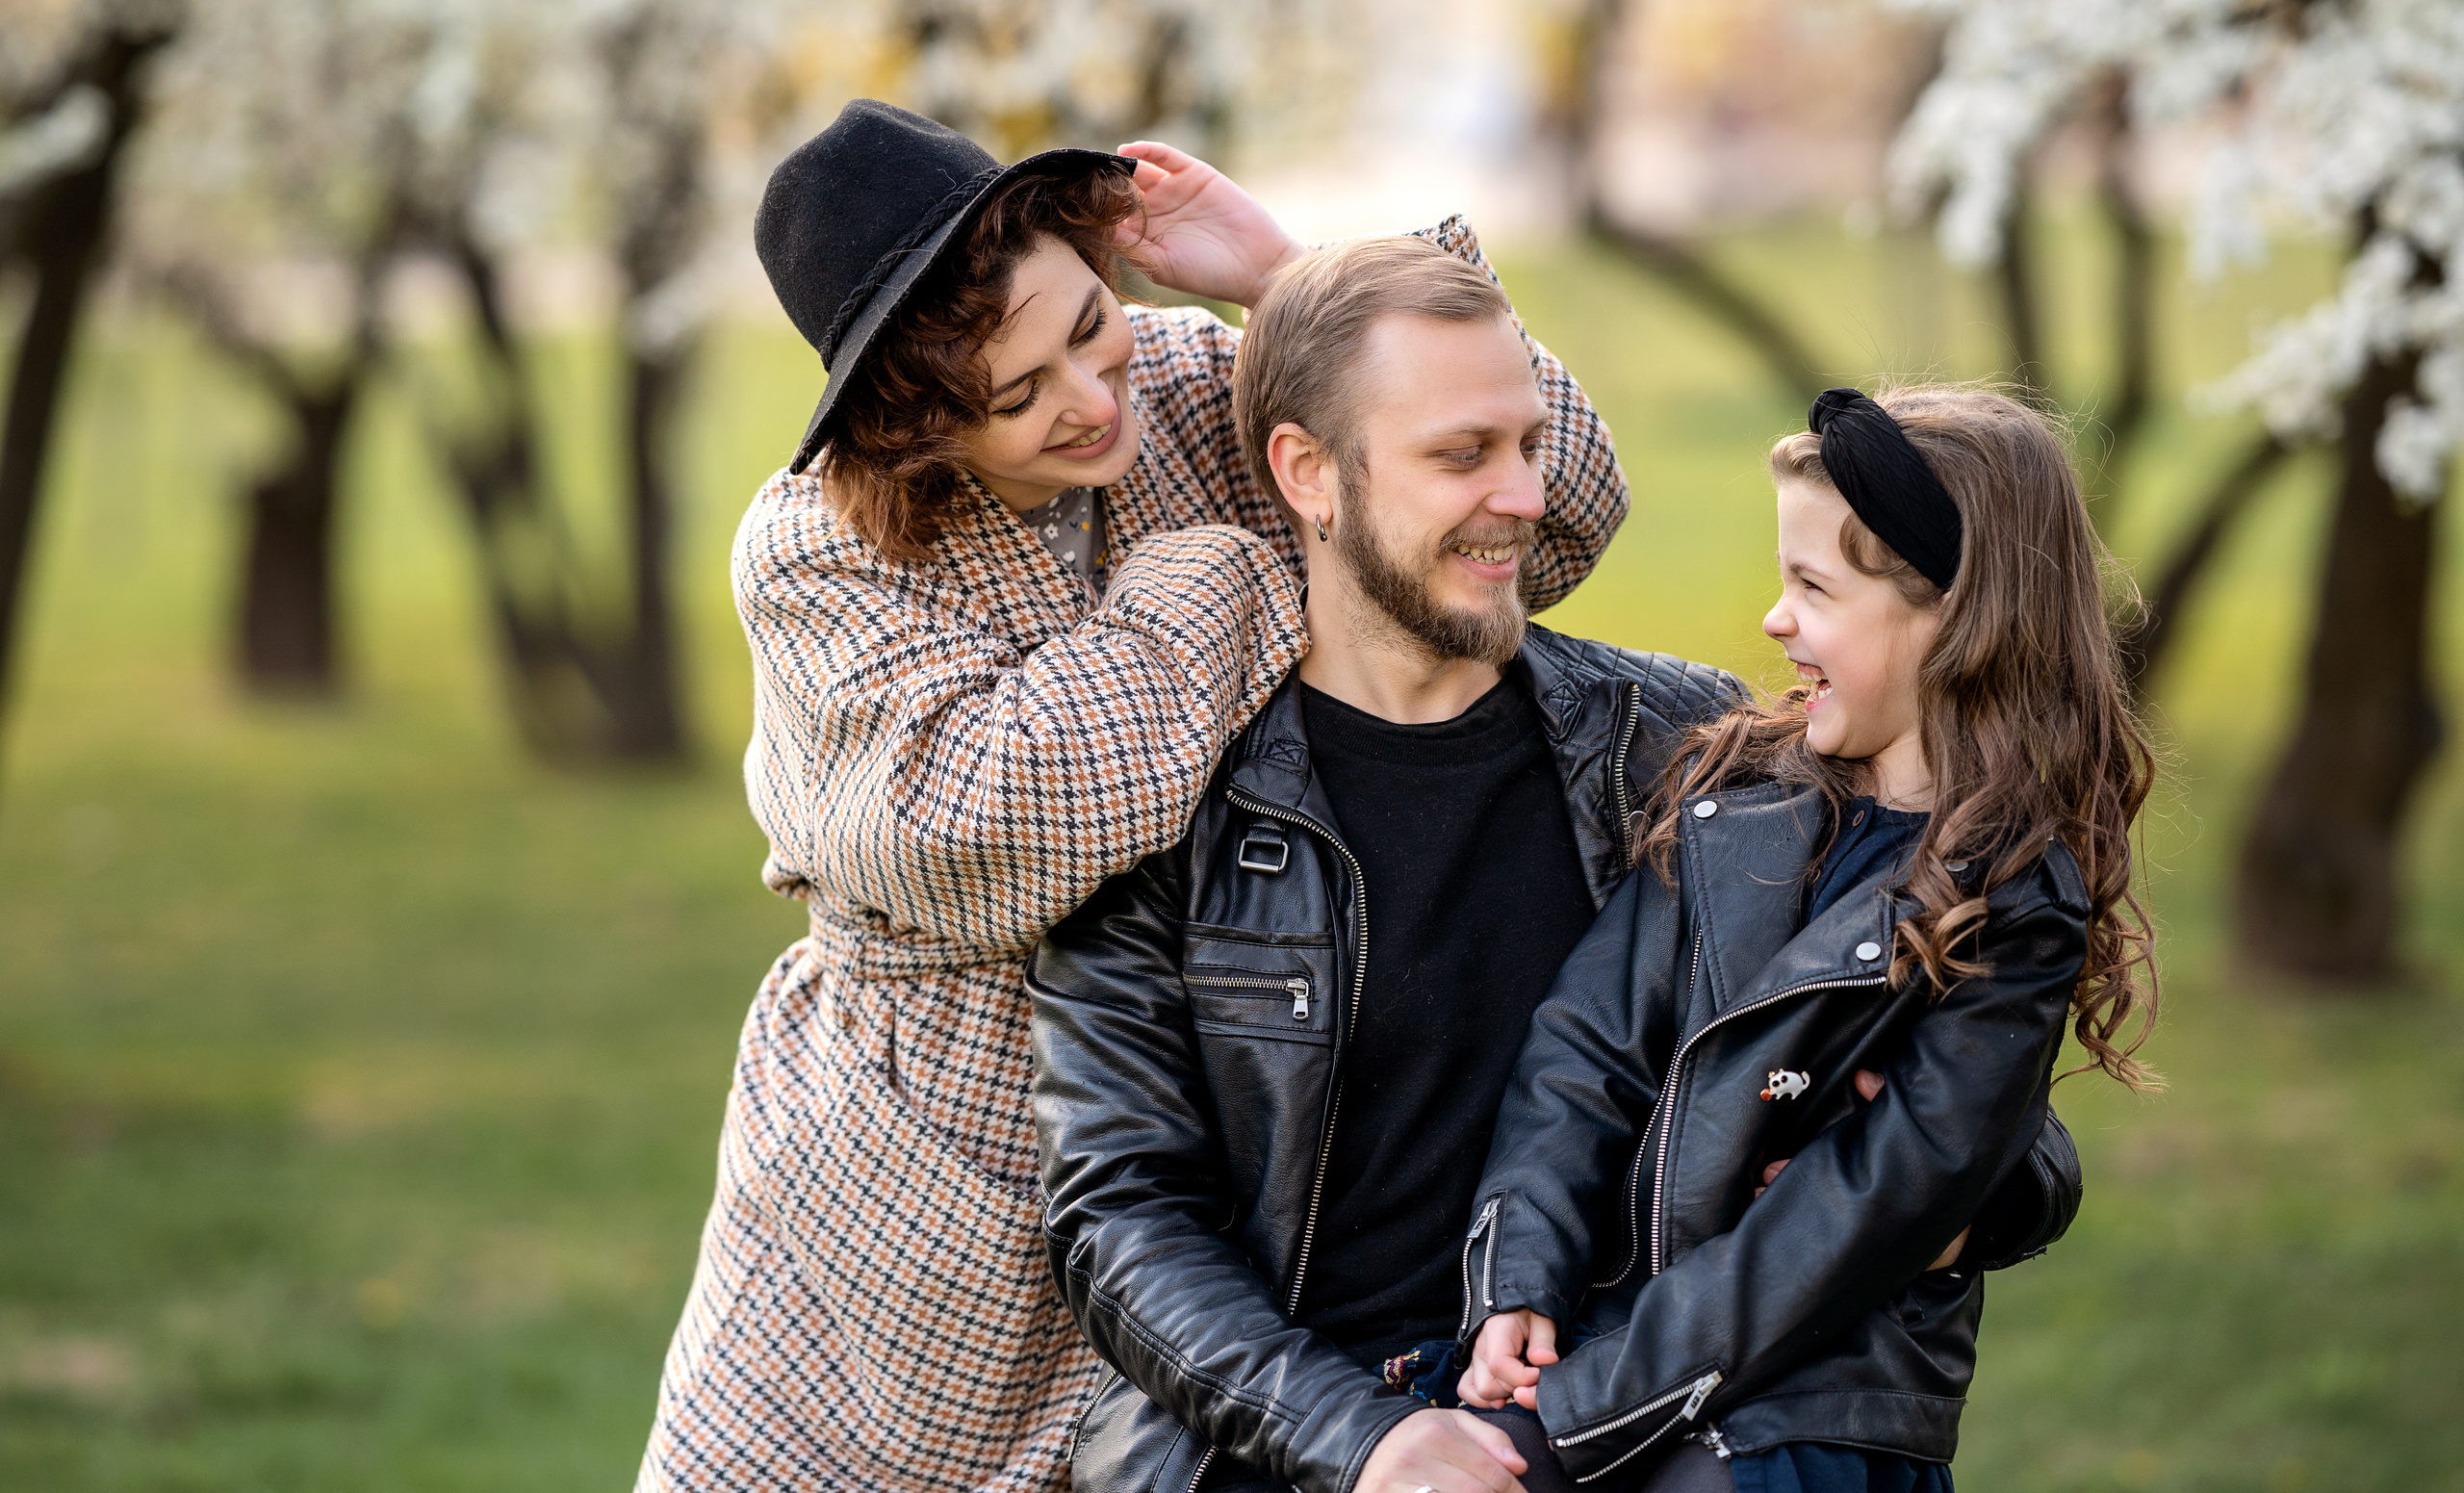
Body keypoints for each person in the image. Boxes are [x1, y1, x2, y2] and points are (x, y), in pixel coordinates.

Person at [636, 101, 1632, 1493]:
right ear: (913, 425)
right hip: (939, 1181)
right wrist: (1229, 579)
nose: (1092, 399)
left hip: (1238, 1142)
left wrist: (1294, 288)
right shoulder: (818, 549)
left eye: (1086, 325)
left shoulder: (1183, 380)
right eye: (1015, 392)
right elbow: (983, 824)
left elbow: (1555, 505)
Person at [1030, 256, 2086, 1493]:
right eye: (1462, 453)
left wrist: (1972, 1201)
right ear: (1308, 474)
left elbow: (1964, 1065)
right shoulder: (1161, 802)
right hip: (1302, 1444)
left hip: (1616, 1422)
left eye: (1530, 442)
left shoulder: (1676, 747)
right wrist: (1367, 1443)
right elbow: (1119, 1217)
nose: (1526, 496)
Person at [1454, 385, 2157, 1492]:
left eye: (1812, 588)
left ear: (1953, 617)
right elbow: (1583, 1053)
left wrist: (1572, 1418)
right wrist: (1519, 1280)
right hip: (1622, 1367)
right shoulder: (1738, 797)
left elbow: (1839, 1232)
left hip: (1811, 1421)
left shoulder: (2012, 910)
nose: (1775, 620)